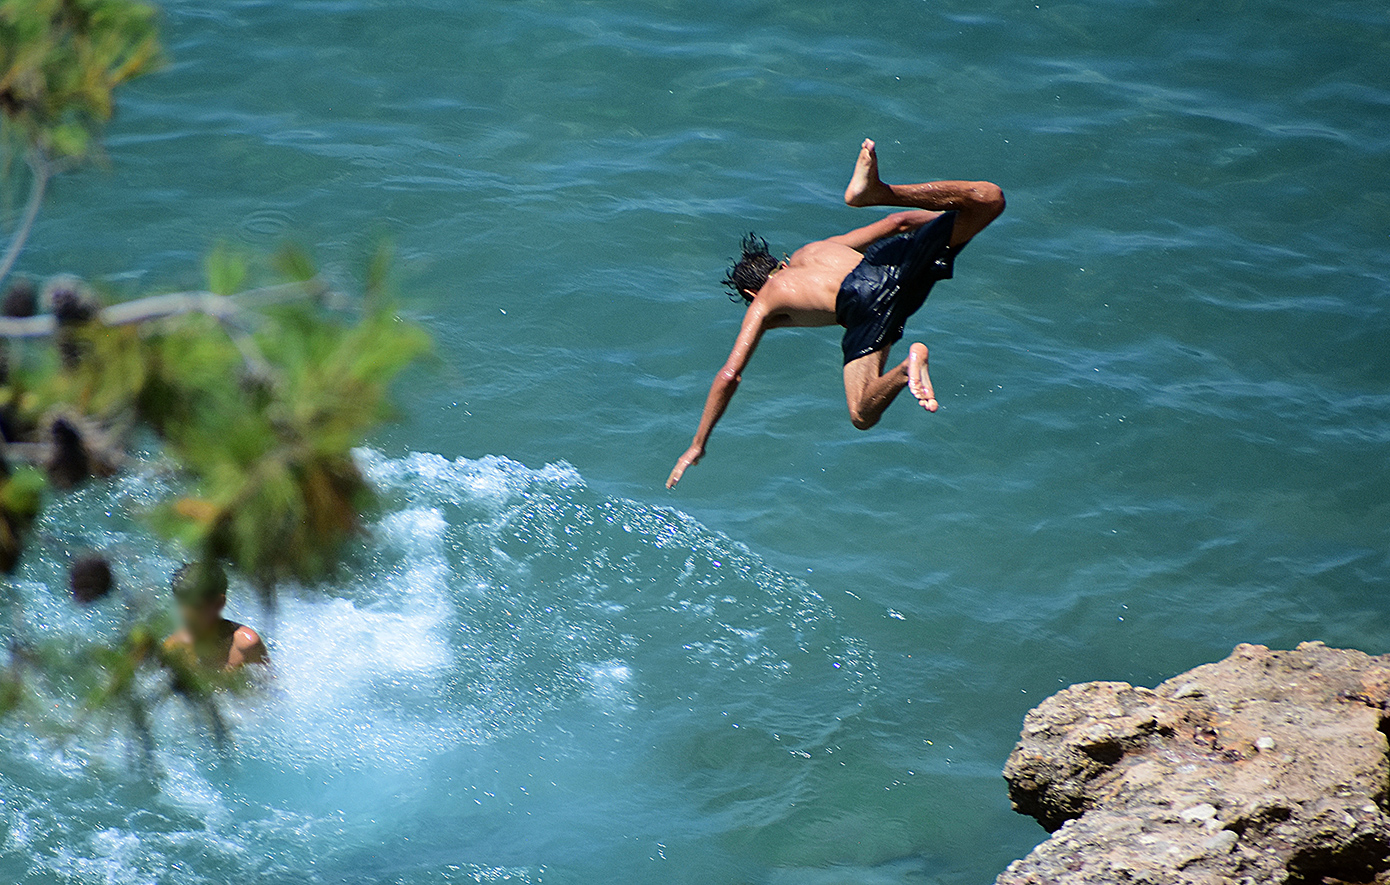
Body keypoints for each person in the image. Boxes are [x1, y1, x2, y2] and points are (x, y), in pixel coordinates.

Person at [666, 139, 1005, 489]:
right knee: (989, 199)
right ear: (780, 263)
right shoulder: (814, 249)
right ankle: (877, 191)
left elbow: (729, 375)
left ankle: (908, 366)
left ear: (751, 294)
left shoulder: (765, 300)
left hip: (863, 303)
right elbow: (899, 222)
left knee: (861, 413)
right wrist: (953, 223)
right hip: (893, 263)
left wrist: (697, 444)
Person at [163, 562, 269, 672]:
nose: (186, 614)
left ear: (219, 603)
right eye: (182, 605)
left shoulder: (247, 645)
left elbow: (269, 685)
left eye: (196, 606)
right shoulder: (174, 647)